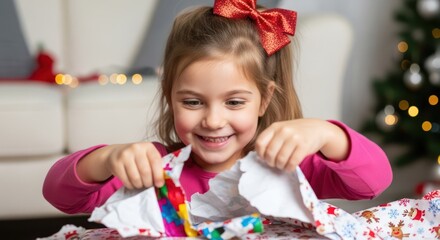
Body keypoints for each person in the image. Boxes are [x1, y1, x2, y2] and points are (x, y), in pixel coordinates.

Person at [43, 0, 392, 214]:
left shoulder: (291, 168)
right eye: (192, 102)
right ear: (170, 97)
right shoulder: (153, 170)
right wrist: (107, 159)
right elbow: (60, 196)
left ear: (264, 100)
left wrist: (327, 133)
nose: (213, 120)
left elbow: (373, 181)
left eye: (234, 102)